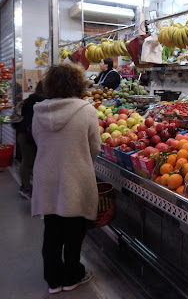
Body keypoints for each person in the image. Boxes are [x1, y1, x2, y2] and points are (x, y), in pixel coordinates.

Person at [31, 63, 101, 294]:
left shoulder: (38, 112)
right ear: (78, 84)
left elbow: (38, 141)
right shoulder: (87, 111)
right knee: (74, 232)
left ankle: (53, 280)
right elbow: (95, 148)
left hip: (46, 178)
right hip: (76, 179)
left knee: (51, 231)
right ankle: (72, 276)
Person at [12, 81, 45, 199]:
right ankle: (26, 188)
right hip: (30, 136)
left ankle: (25, 187)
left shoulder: (29, 99)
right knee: (29, 162)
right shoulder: (42, 101)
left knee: (27, 161)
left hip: (23, 134)